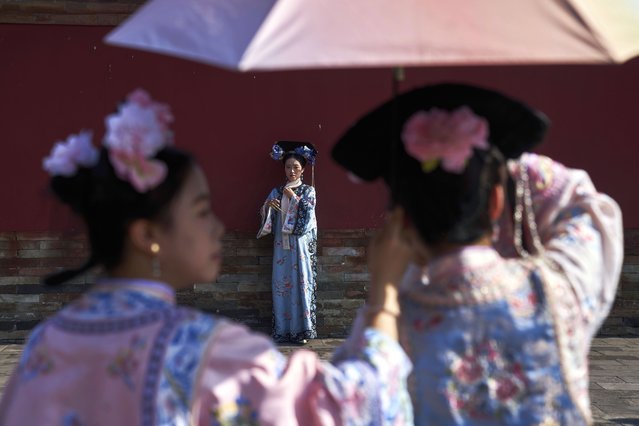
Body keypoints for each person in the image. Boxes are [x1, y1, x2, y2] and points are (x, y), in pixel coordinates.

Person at [0, 89, 413, 425]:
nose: (216, 226)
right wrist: (384, 297)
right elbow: (347, 409)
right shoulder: (212, 352)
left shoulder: (47, 344)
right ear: (147, 235)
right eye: (201, 211)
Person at [332, 83, 624, 425]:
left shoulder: (390, 330)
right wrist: (503, 162)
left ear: (402, 221)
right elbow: (584, 207)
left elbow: (356, 406)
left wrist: (381, 298)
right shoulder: (558, 291)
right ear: (496, 201)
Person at [258, 141, 318, 344]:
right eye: (288, 167)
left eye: (296, 167)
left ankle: (302, 331)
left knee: (301, 284)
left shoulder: (308, 191)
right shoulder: (276, 191)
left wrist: (294, 198)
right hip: (281, 247)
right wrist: (269, 207)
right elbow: (266, 217)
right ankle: (283, 330)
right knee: (281, 284)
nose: (291, 171)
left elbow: (308, 217)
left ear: (302, 169)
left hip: (299, 247)